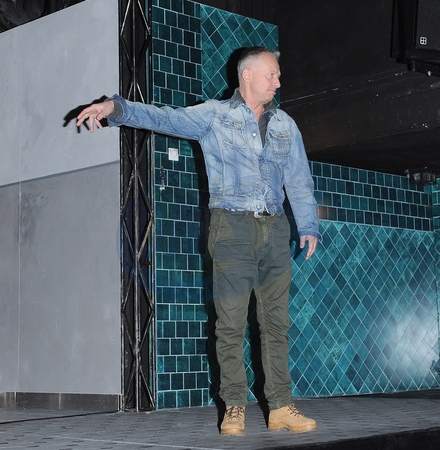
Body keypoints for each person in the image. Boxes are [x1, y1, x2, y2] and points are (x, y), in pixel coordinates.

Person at [76, 46, 320, 435]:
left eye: (277, 75)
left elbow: (299, 177)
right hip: (232, 227)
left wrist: (307, 225)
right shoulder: (215, 115)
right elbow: (164, 117)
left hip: (274, 230)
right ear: (247, 76)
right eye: (271, 74)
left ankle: (280, 406)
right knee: (230, 323)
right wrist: (115, 108)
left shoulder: (285, 124)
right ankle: (235, 406)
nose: (278, 81)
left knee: (276, 323)